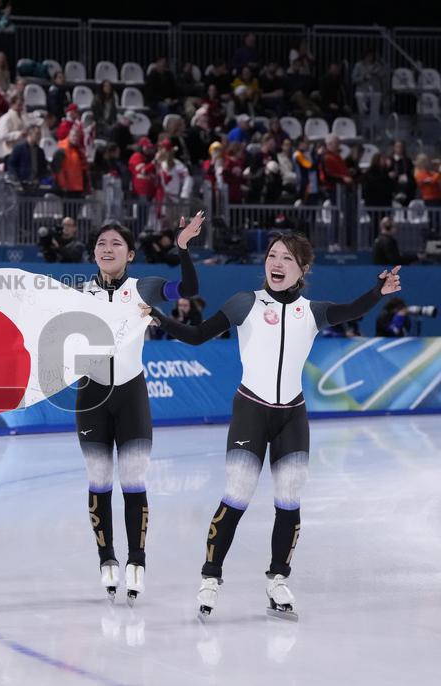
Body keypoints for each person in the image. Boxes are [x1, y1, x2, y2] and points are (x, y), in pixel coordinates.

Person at [144, 233, 402, 619]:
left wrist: (378, 291)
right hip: (251, 410)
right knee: (237, 497)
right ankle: (210, 578)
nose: (276, 263)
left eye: (287, 258)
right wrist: (158, 316)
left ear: (303, 269)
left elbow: (351, 310)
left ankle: (278, 579)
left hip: (292, 416)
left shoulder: (312, 311)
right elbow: (197, 336)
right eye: (272, 255)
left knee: (289, 501)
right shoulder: (244, 303)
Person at [77, 214, 204, 602]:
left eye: (115, 243)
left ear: (130, 254)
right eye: (101, 244)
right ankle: (106, 559)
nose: (107, 249)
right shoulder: (80, 294)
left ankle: (137, 559)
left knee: (133, 482)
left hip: (131, 395)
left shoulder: (142, 288)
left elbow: (187, 287)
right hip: (91, 397)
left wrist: (181, 249)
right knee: (99, 482)